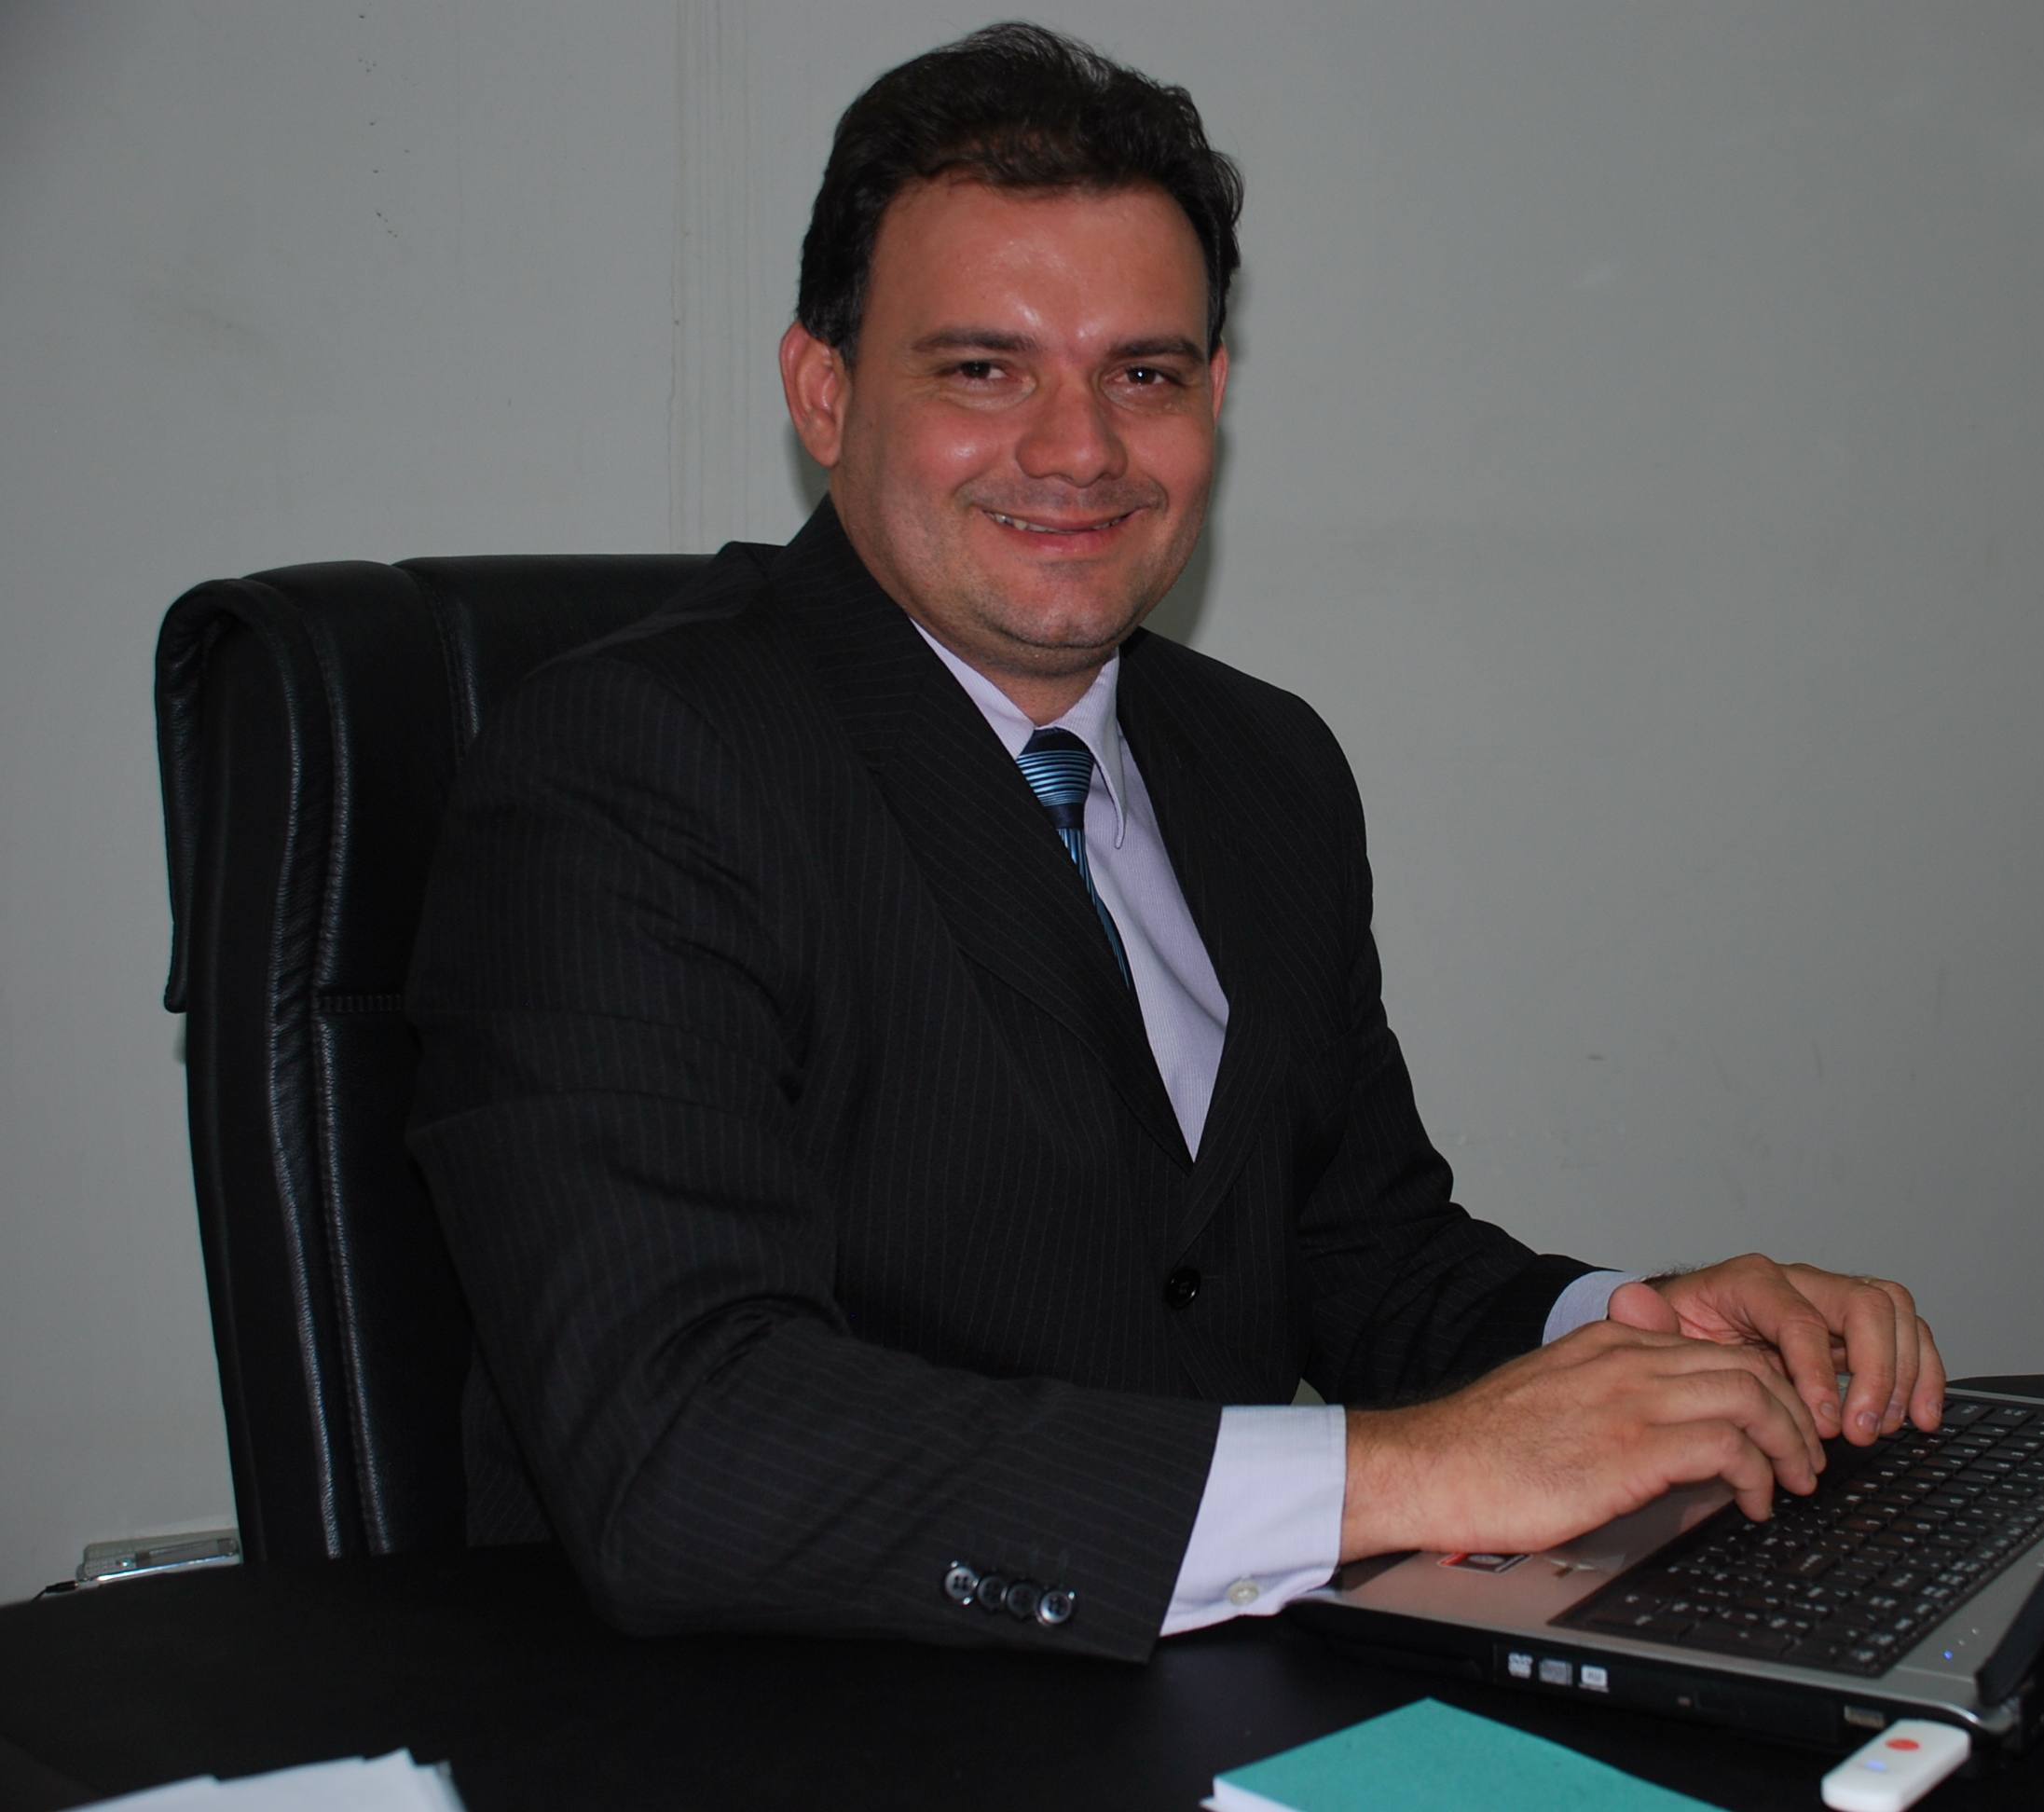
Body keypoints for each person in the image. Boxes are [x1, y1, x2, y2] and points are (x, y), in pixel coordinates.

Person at [406, 21, 1943, 1662]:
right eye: (984, 369)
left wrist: (1640, 1337)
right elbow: (685, 1446)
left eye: (1141, 374)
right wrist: (1406, 1474)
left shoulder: (1263, 765)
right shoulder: (631, 769)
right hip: (791, 1720)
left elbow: (1355, 1253)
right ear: (825, 392)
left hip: (1210, 1689)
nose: (1078, 450)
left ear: (1213, 396)